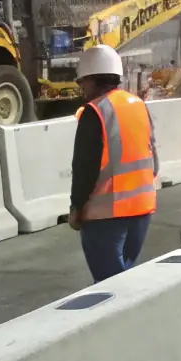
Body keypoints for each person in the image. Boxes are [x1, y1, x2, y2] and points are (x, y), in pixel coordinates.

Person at [69, 44, 158, 281]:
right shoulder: (138, 105)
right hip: (142, 211)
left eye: (82, 82)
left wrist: (76, 207)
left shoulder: (95, 112)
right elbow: (153, 160)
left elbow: (84, 168)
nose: (82, 88)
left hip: (105, 217)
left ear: (92, 78)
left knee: (109, 288)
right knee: (123, 281)